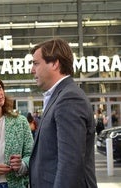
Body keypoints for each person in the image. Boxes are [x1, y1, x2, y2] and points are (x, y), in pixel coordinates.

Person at [29, 38, 97, 188]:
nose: (31, 70)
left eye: (35, 63)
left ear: (54, 63)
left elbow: (70, 163)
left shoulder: (69, 98)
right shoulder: (58, 96)